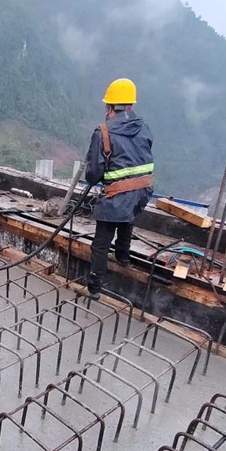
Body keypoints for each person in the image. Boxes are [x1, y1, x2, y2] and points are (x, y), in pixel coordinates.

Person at [77, 78, 154, 300]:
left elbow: (93, 174)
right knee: (127, 218)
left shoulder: (103, 132)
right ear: (130, 105)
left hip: (117, 195)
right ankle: (123, 257)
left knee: (101, 243)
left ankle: (94, 289)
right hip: (143, 192)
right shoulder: (144, 128)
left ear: (110, 107)